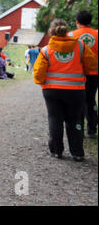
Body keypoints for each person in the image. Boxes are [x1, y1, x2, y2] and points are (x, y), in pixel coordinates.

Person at [34, 18, 97, 161]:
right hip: (76, 90)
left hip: (52, 90)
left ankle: (56, 151)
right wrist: (83, 72)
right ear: (66, 31)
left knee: (55, 118)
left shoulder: (46, 50)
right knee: (74, 120)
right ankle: (77, 153)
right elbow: (92, 63)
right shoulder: (80, 46)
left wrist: (41, 81)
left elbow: (38, 74)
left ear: (51, 32)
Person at [68, 10, 98, 138]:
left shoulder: (70, 35)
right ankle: (92, 129)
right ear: (90, 22)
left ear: (77, 22)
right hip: (94, 73)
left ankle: (78, 127)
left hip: (77, 74)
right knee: (90, 100)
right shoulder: (97, 34)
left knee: (78, 101)